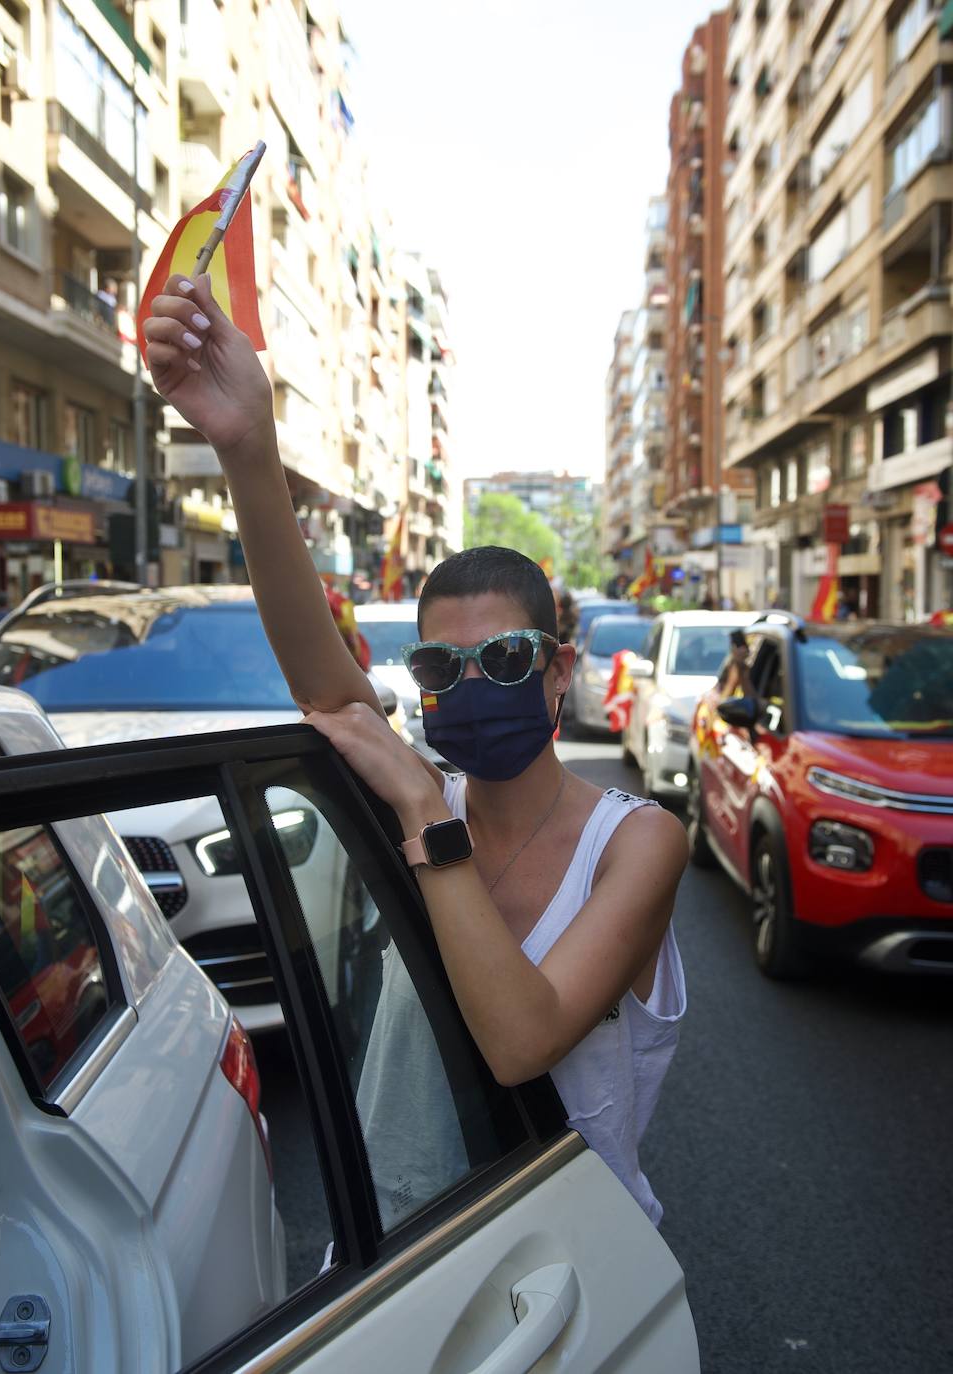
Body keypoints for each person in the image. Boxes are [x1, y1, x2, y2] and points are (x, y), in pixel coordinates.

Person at [142, 274, 689, 1226]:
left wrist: (428, 816)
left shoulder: (638, 843)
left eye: (508, 656)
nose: (473, 683)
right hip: (403, 1250)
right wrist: (246, 446)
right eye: (443, 661)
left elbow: (523, 1042)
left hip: (573, 1269)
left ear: (559, 671)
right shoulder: (424, 786)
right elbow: (324, 689)